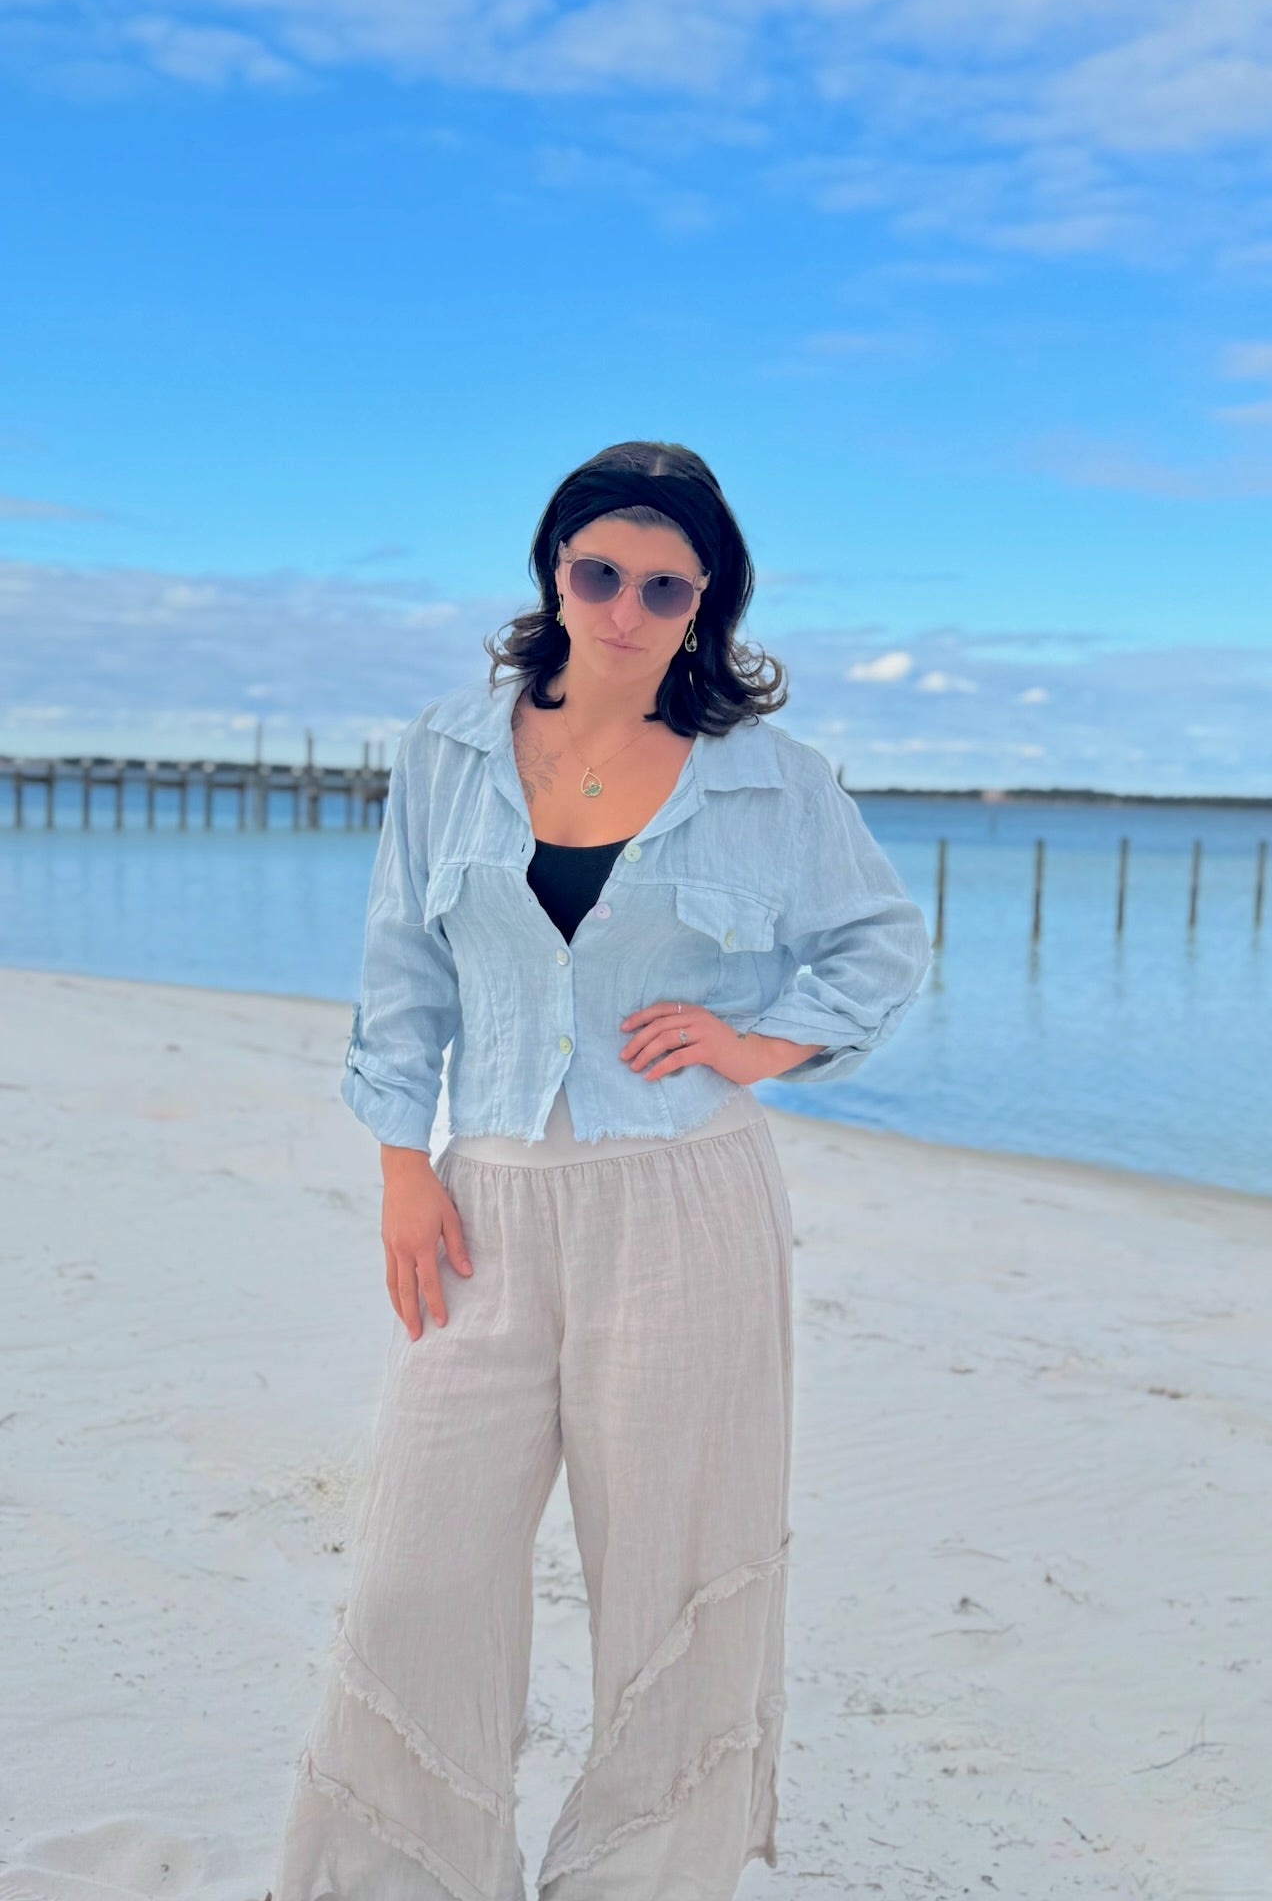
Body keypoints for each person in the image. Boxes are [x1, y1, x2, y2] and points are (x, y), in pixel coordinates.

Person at [270, 440, 932, 1901]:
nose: (625, 607)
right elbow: (401, 971)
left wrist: (762, 1044)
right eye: (599, 572)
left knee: (674, 1568)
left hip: (686, 1200)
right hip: (484, 1199)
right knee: (421, 1561)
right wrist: (400, 1163)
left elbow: (881, 944)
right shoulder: (447, 751)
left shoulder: (771, 782)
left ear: (706, 606)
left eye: (664, 586)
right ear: (554, 573)